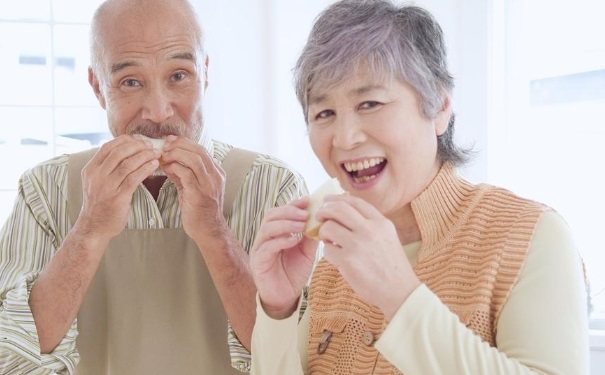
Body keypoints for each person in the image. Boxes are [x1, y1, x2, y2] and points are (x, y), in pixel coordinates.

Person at [248, 0, 590, 374]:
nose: (345, 138)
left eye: (370, 103)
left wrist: (398, 295)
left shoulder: (531, 236)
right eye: (324, 113)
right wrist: (279, 308)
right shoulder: (331, 264)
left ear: (440, 107)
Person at [0, 0, 308, 373]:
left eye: (179, 76)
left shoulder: (274, 187)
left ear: (205, 74)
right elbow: (11, 358)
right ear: (99, 88)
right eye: (130, 82)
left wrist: (214, 231)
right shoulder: (43, 192)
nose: (158, 112)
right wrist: (90, 228)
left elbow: (294, 359)